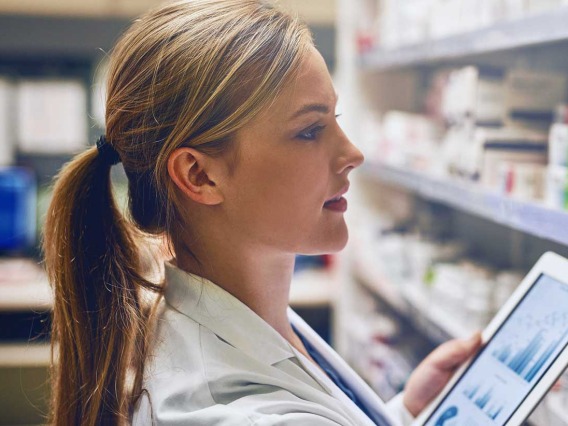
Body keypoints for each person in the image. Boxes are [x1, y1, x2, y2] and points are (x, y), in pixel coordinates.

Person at [42, 1, 482, 425]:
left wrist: (402, 413)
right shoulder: (235, 409)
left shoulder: (237, 313)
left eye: (335, 119)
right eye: (310, 131)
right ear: (199, 175)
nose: (353, 153)